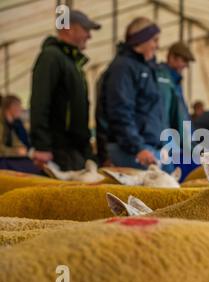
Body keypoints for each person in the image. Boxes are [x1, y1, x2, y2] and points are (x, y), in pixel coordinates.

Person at [30, 10, 101, 170]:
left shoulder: (72, 62)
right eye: (86, 29)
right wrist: (42, 145)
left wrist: (87, 150)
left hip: (74, 150)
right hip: (59, 150)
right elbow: (40, 101)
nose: (89, 36)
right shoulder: (51, 57)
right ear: (69, 29)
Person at [102, 17, 165, 169]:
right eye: (154, 40)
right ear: (141, 40)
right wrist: (137, 147)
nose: (157, 45)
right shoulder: (123, 68)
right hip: (133, 151)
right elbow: (120, 110)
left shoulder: (145, 67)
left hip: (148, 148)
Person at [157, 42, 195, 149]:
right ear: (172, 57)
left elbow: (182, 114)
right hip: (167, 142)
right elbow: (164, 116)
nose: (186, 66)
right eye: (184, 61)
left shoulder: (174, 81)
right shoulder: (163, 80)